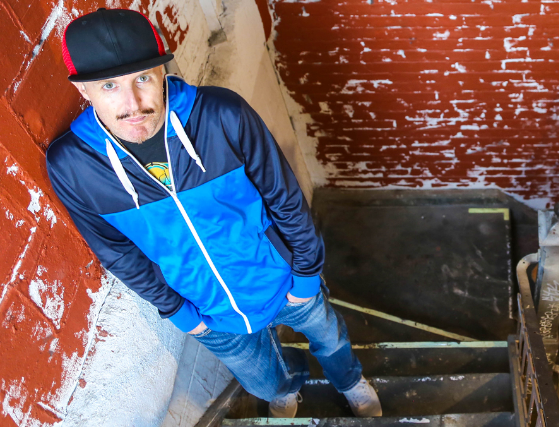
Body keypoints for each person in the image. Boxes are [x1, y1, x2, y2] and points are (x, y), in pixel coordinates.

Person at [46, 8, 382, 418]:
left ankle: (349, 381)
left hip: (282, 276)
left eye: (142, 78)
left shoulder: (221, 114)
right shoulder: (73, 167)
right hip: (208, 311)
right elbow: (117, 253)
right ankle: (285, 387)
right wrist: (182, 315)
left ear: (161, 71)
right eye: (110, 86)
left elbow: (284, 197)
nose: (132, 103)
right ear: (84, 90)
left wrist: (307, 274)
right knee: (263, 383)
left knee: (330, 339)